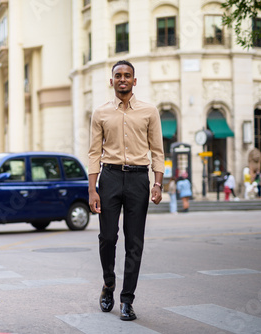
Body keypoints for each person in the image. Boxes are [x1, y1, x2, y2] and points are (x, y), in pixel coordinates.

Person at [88, 60, 164, 321]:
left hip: (138, 180)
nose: (122, 79)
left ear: (135, 81)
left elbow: (157, 151)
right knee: (107, 237)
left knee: (135, 242)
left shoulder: (149, 111)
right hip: (108, 177)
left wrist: (158, 183)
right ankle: (109, 283)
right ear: (111, 81)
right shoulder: (100, 113)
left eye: (127, 75)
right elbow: (93, 153)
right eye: (118, 75)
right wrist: (92, 189)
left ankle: (127, 300)